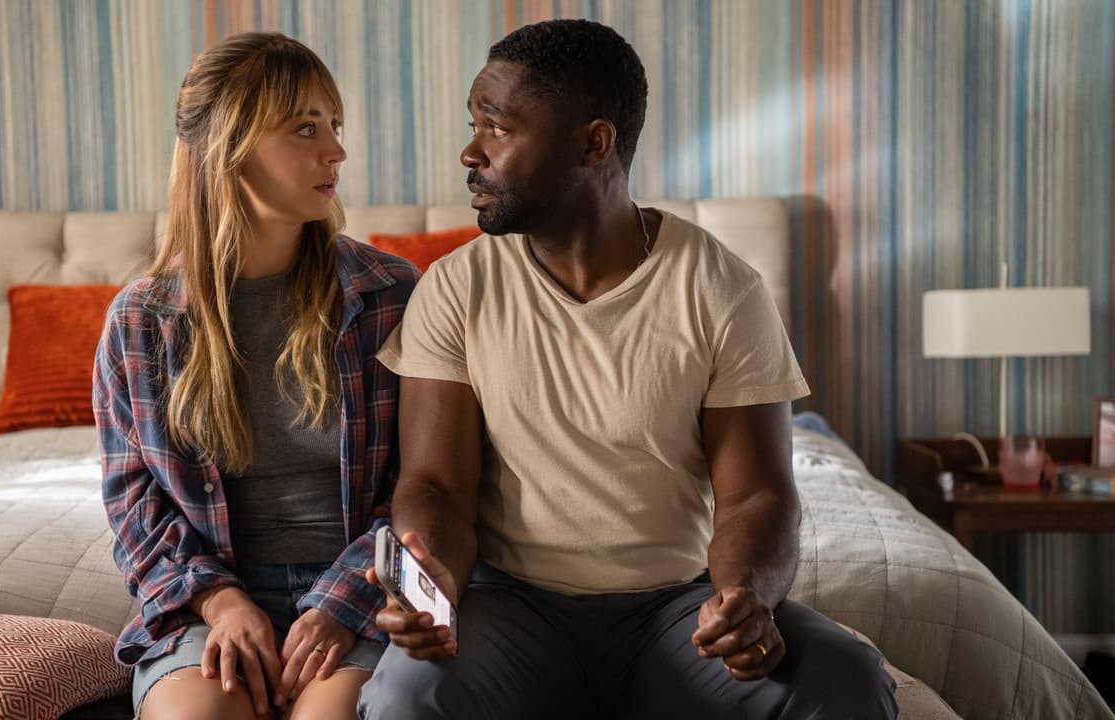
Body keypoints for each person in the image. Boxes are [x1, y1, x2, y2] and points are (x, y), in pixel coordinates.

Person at [358, 18, 897, 719]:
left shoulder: (720, 288)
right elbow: (436, 484)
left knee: (847, 678)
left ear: (594, 143)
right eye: (474, 126)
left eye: (498, 128)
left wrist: (746, 600)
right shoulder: (457, 288)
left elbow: (756, 495)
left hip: (675, 612)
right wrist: (430, 586)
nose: (470, 152)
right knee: (406, 696)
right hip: (512, 611)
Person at [92, 32, 418, 720]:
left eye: (334, 125)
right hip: (210, 599)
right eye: (306, 128)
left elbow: (421, 486)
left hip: (361, 592)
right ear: (230, 147)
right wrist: (222, 602)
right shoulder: (142, 321)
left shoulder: (389, 295)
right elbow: (134, 504)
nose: (337, 151)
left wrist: (340, 604)